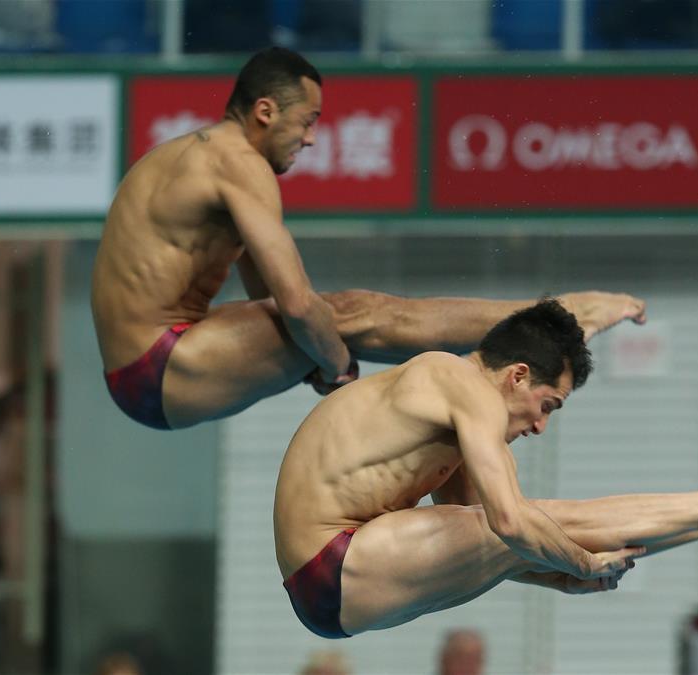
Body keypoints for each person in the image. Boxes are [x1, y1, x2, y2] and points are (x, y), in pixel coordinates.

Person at [91, 46, 647, 430]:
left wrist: (317, 354)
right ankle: (561, 315)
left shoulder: (193, 153)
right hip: (161, 364)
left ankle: (524, 333)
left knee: (339, 320)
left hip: (144, 369)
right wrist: (335, 366)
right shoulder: (239, 164)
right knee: (357, 313)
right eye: (307, 121)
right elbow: (298, 304)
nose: (311, 139)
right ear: (265, 111)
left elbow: (264, 292)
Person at [273, 299, 698, 639]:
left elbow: (488, 539)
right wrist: (582, 565)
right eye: (547, 406)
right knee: (545, 520)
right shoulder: (460, 384)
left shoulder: (454, 413)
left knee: (534, 530)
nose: (540, 427)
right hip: (335, 561)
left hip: (332, 583)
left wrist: (556, 577)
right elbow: (511, 525)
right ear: (517, 375)